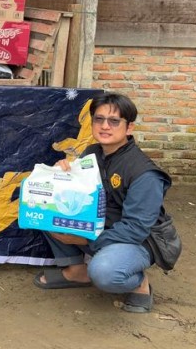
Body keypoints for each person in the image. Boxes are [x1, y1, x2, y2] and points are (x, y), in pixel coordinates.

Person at [33, 93, 175, 314]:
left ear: (129, 128)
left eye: (114, 121)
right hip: (102, 228)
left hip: (140, 241)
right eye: (99, 119)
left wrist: (85, 238)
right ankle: (77, 271)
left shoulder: (144, 174)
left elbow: (136, 229)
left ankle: (139, 284)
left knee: (104, 272)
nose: (105, 126)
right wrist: (61, 176)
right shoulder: (93, 153)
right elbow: (76, 192)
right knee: (44, 208)